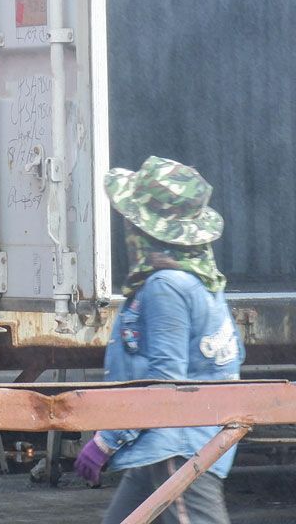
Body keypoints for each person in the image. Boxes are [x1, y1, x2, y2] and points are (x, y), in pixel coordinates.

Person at [73, 156, 241, 522]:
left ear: (145, 229)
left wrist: (107, 440)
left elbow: (165, 386)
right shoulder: (203, 279)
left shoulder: (166, 287)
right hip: (174, 444)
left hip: (178, 450)